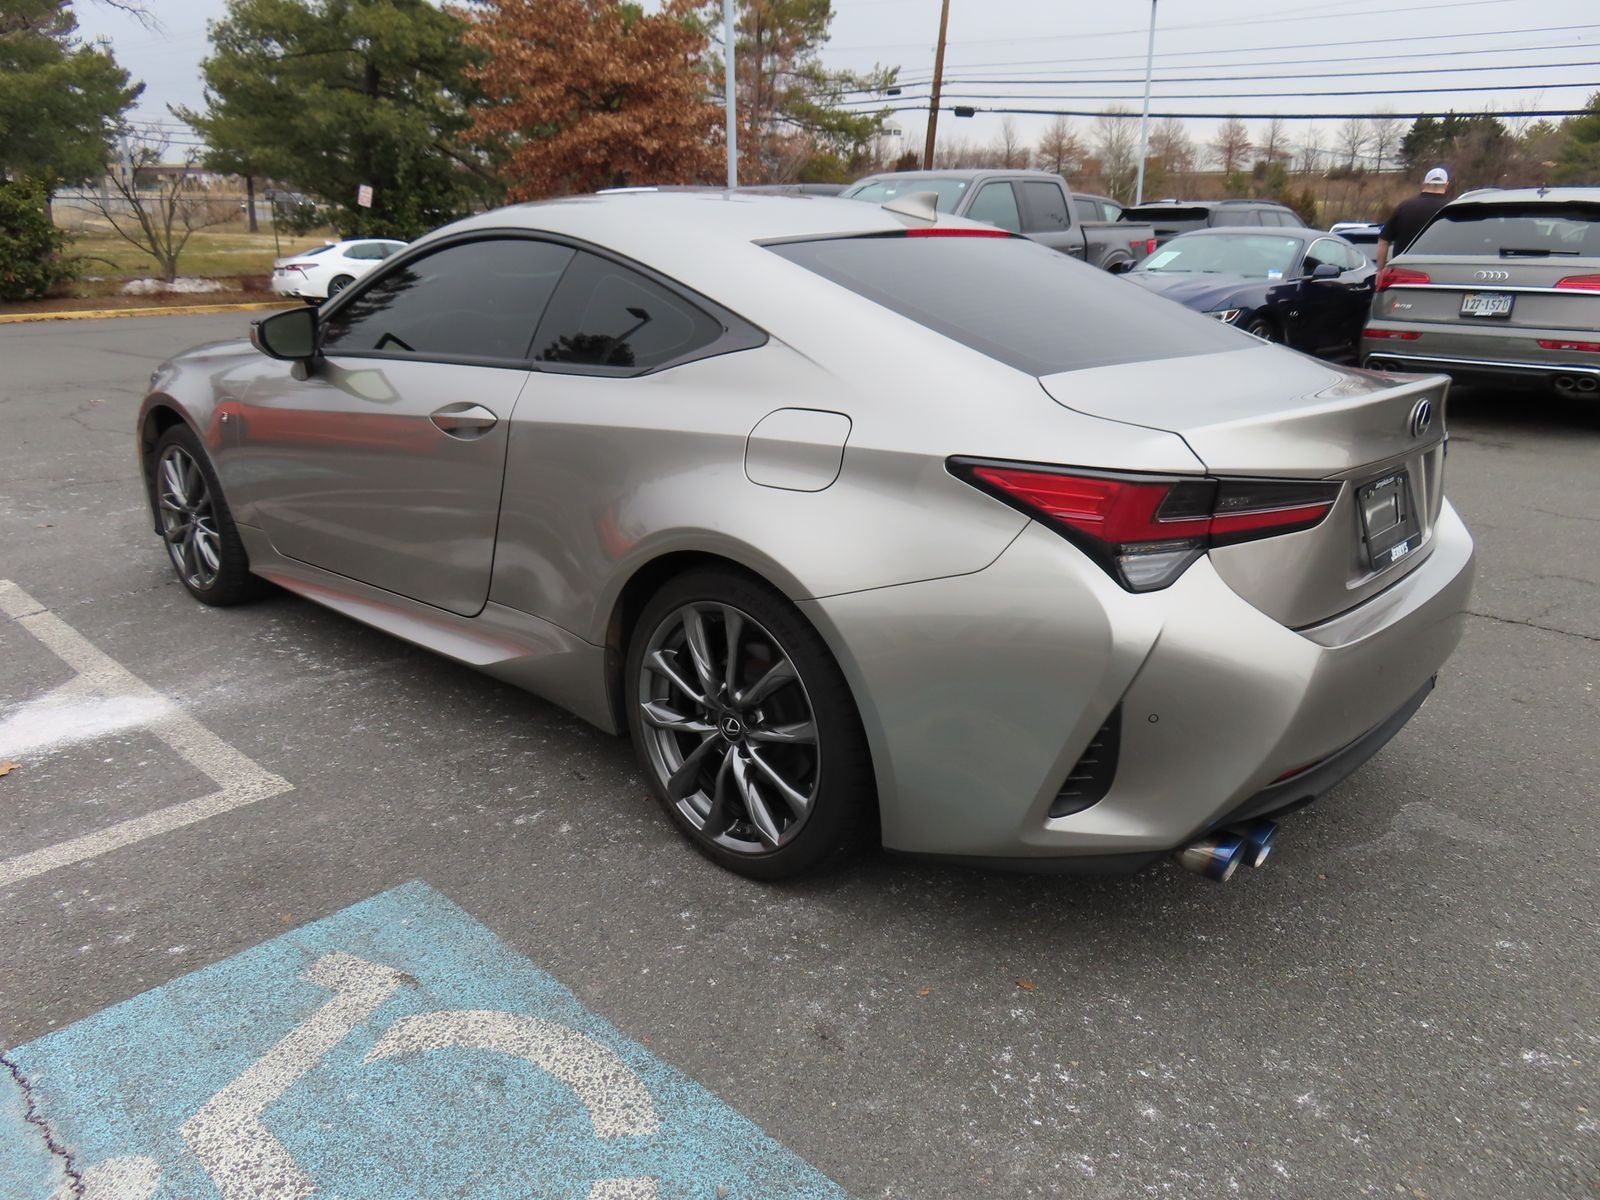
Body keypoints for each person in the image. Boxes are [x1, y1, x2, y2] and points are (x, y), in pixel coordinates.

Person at [1376, 166, 1451, 272]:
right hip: (1442, 272)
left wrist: (1380, 270)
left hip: (1404, 272)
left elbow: (1383, 241)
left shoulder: (1405, 207)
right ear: (1446, 185)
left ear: (1424, 183)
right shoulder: (1453, 209)